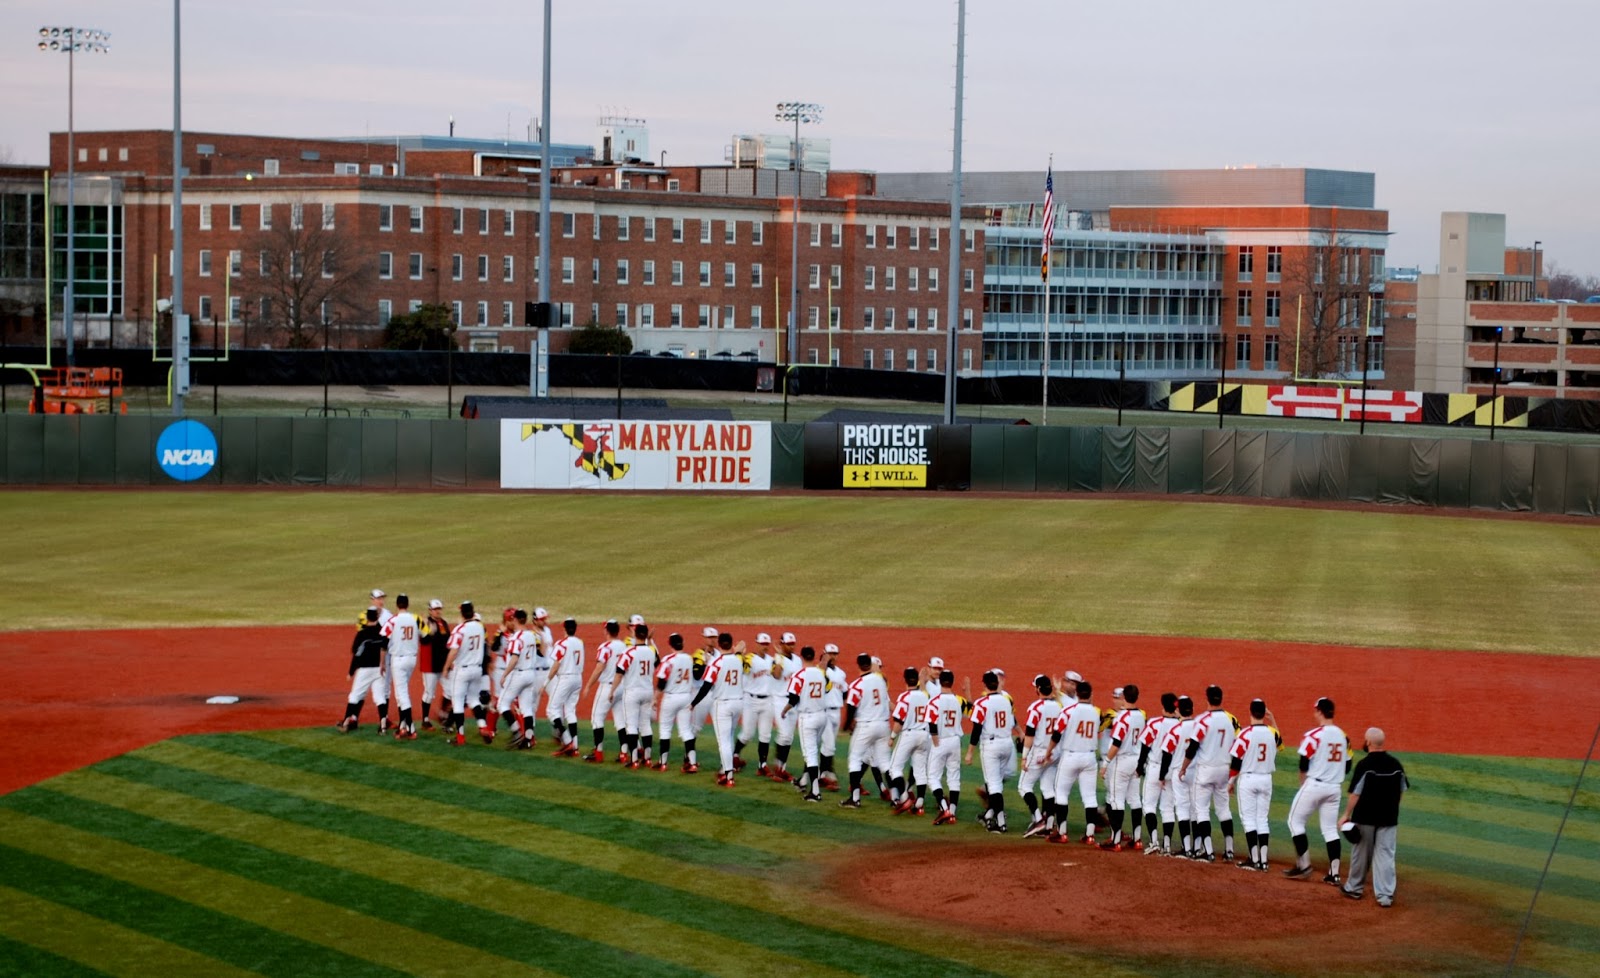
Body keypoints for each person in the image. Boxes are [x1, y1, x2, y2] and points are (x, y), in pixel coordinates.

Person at [1284, 697, 1351, 884]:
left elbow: (1303, 763)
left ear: (1320, 712)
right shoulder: (1343, 736)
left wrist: (1303, 784)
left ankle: (1304, 866)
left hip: (1315, 785)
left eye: (1316, 711)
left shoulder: (1314, 735)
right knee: (1330, 830)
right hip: (1334, 789)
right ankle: (1334, 874)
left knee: (1294, 822)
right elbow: (1348, 765)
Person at [1340, 728, 1409, 908]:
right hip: (1389, 819)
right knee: (1385, 856)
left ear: (1369, 742)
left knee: (1361, 855)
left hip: (1365, 818)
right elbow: (1402, 789)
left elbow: (1355, 794)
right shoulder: (1395, 764)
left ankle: (1354, 888)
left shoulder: (1365, 765)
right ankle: (1385, 896)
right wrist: (1392, 809)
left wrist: (1346, 815)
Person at [1179, 684, 1238, 863]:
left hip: (1205, 770)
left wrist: (1183, 767)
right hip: (1224, 770)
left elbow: (1193, 748)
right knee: (1223, 809)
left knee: (1201, 810)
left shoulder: (1203, 720)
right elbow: (1235, 748)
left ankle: (1208, 851)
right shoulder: (1229, 721)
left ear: (1207, 699)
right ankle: (1229, 851)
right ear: (1221, 698)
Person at [1045, 679, 1106, 844]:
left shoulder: (1067, 711)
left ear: (1077, 694)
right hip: (1090, 758)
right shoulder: (1097, 712)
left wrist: (1049, 751)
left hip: (1070, 757)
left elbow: (1056, 735)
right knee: (1090, 797)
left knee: (1061, 794)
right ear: (1091, 695)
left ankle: (1062, 832)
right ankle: (1090, 835)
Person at [1229, 698, 1281, 872]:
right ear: (1263, 712)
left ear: (1250, 712)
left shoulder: (1244, 734)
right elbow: (1279, 741)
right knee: (1262, 819)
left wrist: (1231, 782)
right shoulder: (1272, 733)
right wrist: (1272, 719)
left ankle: (1254, 859)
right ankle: (1263, 861)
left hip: (1249, 780)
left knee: (1249, 819)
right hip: (1266, 780)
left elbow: (1236, 761)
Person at [690, 632, 746, 787]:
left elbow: (706, 686)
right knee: (730, 736)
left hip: (723, 704)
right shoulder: (738, 660)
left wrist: (694, 703)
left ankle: (728, 775)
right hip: (737, 703)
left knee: (724, 742)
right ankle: (725, 771)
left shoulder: (716, 662)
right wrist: (739, 652)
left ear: (719, 644)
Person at [965, 670, 1017, 833]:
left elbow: (976, 729)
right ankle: (990, 814)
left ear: (985, 685)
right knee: (997, 785)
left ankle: (1000, 823)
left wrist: (969, 752)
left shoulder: (982, 703)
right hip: (1007, 743)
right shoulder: (1006, 701)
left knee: (993, 786)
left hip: (991, 747)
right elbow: (1011, 723)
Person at [839, 653, 891, 808]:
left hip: (866, 726)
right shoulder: (881, 681)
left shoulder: (857, 684)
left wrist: (846, 726)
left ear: (858, 664)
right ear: (870, 663)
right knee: (885, 763)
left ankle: (854, 799)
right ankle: (898, 798)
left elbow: (851, 707)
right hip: (883, 726)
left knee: (855, 759)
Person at [780, 645, 830, 802]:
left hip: (808, 718)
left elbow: (793, 699)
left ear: (801, 656)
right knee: (813, 751)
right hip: (822, 716)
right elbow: (827, 690)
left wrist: (784, 710)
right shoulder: (821, 674)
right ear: (814, 656)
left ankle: (815, 792)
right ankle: (803, 781)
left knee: (810, 755)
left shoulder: (799, 675)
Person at [1018, 674, 1065, 838]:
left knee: (1024, 786)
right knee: (1047, 788)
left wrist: (1024, 757)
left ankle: (1039, 819)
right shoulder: (1059, 706)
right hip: (1054, 753)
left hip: (1038, 752)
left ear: (1038, 689)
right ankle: (1049, 824)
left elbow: (1030, 733)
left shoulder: (1035, 708)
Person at [1100, 684, 1146, 850]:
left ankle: (1116, 840)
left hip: (1121, 761)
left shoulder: (1122, 718)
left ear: (1125, 697)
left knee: (1116, 800)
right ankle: (1137, 839)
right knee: (1134, 799)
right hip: (1135, 760)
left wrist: (1105, 763)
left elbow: (1116, 743)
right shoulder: (1141, 716)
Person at [1137, 692, 1181, 855]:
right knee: (1168, 808)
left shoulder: (1155, 723)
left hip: (1155, 768)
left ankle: (1154, 841)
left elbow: (1144, 747)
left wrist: (1139, 767)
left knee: (1149, 805)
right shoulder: (1180, 725)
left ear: (1162, 705)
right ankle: (1167, 845)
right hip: (1173, 770)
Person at [439, 601, 486, 747]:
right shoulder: (480, 627)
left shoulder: (460, 629)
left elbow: (453, 650)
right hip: (477, 669)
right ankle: (483, 726)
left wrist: (446, 667)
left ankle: (460, 736)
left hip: (462, 670)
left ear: (462, 613)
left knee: (458, 702)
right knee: (474, 700)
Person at [580, 618, 628, 762]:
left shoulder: (605, 647)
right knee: (620, 721)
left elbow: (600, 667)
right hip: (622, 686)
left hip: (608, 686)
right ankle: (624, 753)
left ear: (607, 631)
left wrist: (588, 685)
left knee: (596, 719)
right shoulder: (624, 646)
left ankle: (598, 753)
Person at [614, 618, 659, 768]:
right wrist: (651, 640)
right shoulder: (651, 652)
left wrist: (612, 690)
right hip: (648, 691)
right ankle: (647, 758)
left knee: (631, 726)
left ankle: (633, 760)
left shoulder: (629, 652)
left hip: (632, 692)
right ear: (646, 636)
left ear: (635, 635)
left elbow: (619, 672)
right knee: (645, 725)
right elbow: (658, 663)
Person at [1158, 695, 1199, 857]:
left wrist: (1162, 776)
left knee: (1182, 809)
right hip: (1196, 772)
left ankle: (1186, 848)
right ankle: (1198, 847)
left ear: (1177, 710)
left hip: (1179, 773)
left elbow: (1167, 754)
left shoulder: (1175, 730)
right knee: (1197, 810)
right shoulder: (1199, 727)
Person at [888, 667, 932, 816]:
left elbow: (899, 720)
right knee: (920, 770)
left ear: (905, 680)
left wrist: (892, 737)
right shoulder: (925, 696)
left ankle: (904, 798)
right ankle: (919, 803)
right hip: (924, 736)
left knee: (894, 768)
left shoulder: (904, 697)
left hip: (909, 735)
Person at [926, 670, 968, 825]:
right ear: (952, 682)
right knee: (954, 777)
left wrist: (935, 741)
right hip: (955, 741)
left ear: (940, 682)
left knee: (933, 777)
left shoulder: (934, 701)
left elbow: (931, 723)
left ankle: (944, 809)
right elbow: (971, 709)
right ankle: (953, 813)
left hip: (941, 740)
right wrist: (967, 691)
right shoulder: (959, 700)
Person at [337, 607, 388, 732]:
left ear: (366, 618)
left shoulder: (362, 634)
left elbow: (356, 654)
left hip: (365, 670)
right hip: (379, 669)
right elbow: (385, 648)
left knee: (354, 696)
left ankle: (346, 722)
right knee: (380, 697)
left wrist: (351, 671)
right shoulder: (382, 631)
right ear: (377, 617)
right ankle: (383, 726)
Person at [734, 632, 779, 775]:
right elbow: (741, 668)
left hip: (768, 701)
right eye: (762, 644)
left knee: (765, 735)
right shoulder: (749, 659)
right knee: (747, 734)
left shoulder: (772, 660)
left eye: (767, 644)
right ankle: (735, 755)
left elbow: (777, 675)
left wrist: (780, 658)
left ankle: (762, 766)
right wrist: (738, 653)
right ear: (757, 644)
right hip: (750, 700)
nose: (765, 647)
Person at [654, 633, 698, 772]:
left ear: (670, 644)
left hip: (671, 698)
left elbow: (662, 682)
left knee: (665, 729)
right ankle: (692, 763)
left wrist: (655, 698)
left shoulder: (668, 660)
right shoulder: (689, 659)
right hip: (686, 697)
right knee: (686, 730)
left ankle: (663, 762)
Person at [382, 594, 422, 739]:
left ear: (397, 605)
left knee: (402, 694)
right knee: (400, 693)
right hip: (412, 659)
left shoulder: (393, 620)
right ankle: (402, 727)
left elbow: (383, 641)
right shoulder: (416, 618)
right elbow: (427, 636)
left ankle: (411, 729)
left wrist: (381, 663)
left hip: (398, 660)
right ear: (407, 604)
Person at [544, 618, 585, 756]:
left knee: (552, 709)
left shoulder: (561, 644)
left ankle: (567, 742)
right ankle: (575, 746)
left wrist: (546, 681)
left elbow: (555, 665)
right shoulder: (580, 643)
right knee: (570, 711)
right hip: (578, 679)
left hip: (566, 678)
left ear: (564, 629)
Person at [769, 632, 803, 781]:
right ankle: (778, 770)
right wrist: (779, 660)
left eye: (793, 644)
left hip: (793, 701)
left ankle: (780, 767)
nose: (792, 646)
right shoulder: (776, 660)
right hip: (780, 700)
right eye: (789, 644)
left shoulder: (797, 660)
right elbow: (776, 675)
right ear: (782, 644)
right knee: (785, 735)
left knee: (788, 737)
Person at [418, 599, 452, 731]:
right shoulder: (425, 623)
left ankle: (443, 714)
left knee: (450, 691)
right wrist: (427, 629)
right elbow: (424, 641)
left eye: (439, 609)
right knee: (429, 693)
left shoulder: (443, 623)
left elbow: (448, 642)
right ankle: (425, 720)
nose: (438, 611)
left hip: (443, 665)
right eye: (435, 609)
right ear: (430, 610)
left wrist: (450, 662)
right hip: (430, 665)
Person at [819, 643, 848, 790]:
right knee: (829, 745)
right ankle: (827, 773)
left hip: (836, 711)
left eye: (835, 654)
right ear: (824, 654)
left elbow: (845, 692)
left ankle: (822, 773)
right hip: (824, 712)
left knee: (830, 745)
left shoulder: (841, 674)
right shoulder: (819, 671)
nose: (833, 656)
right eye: (830, 653)